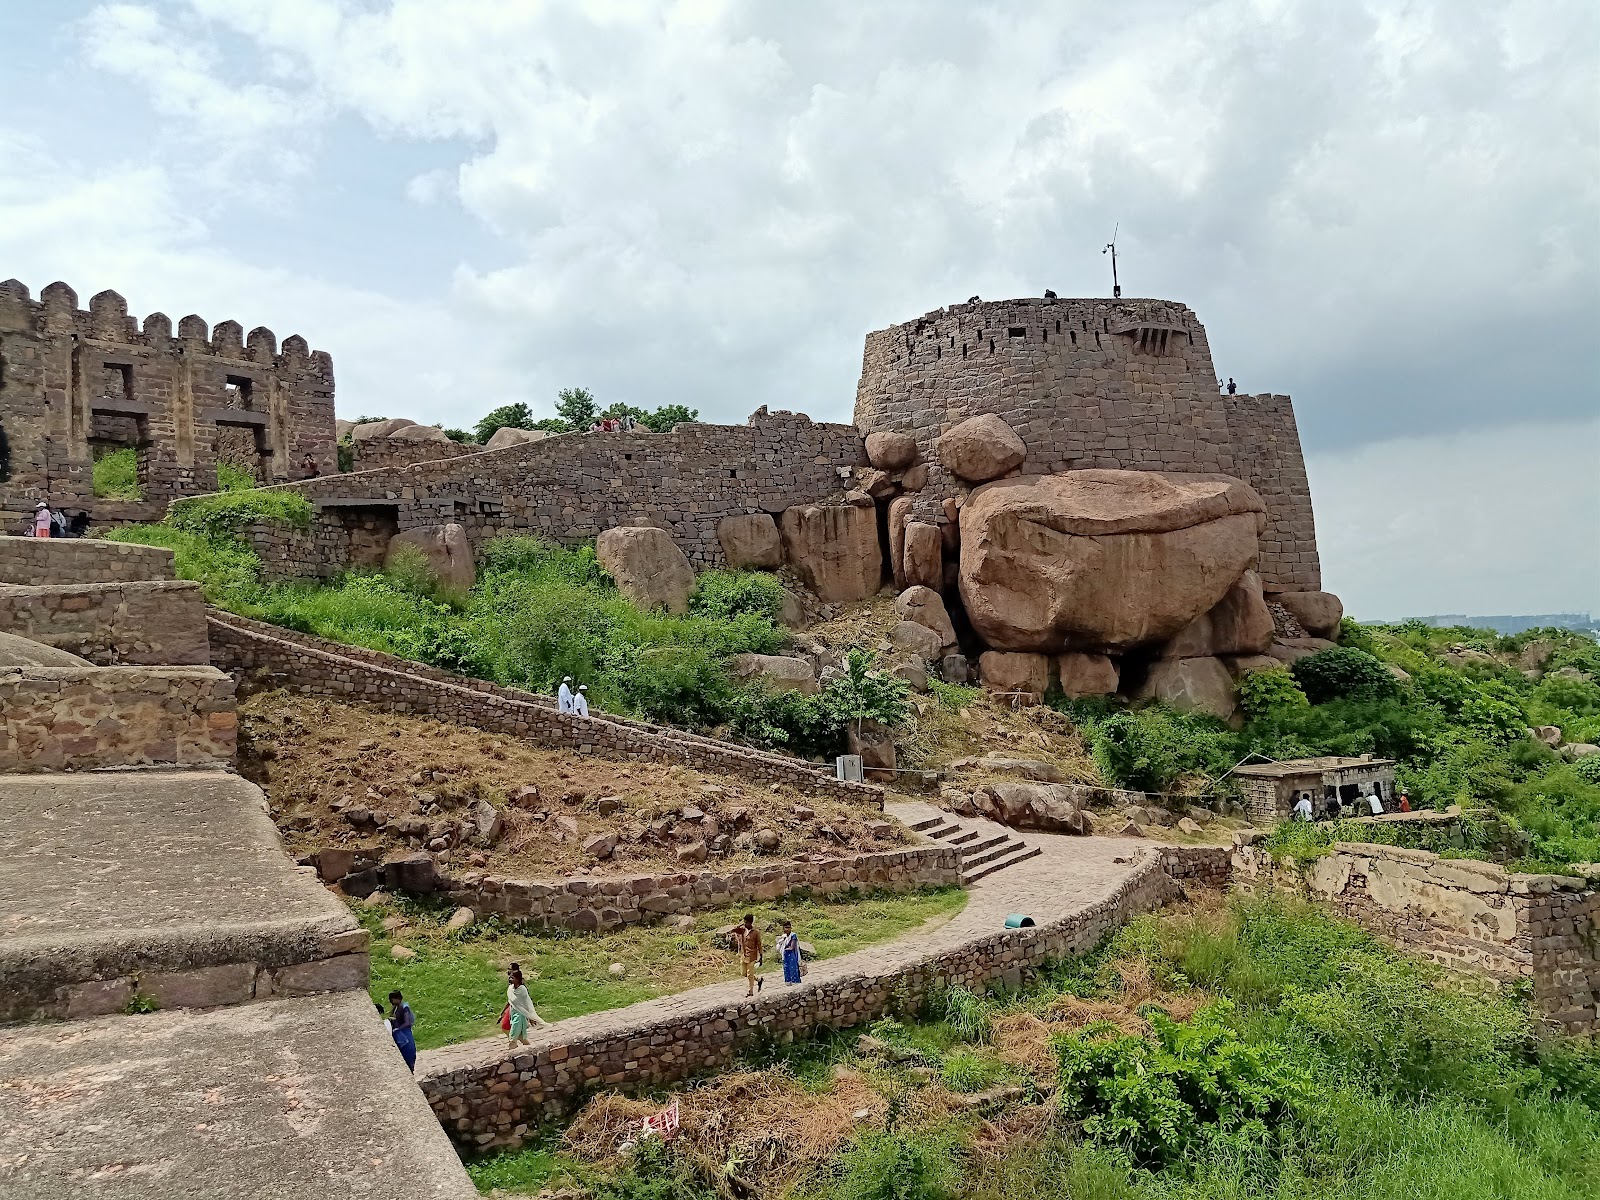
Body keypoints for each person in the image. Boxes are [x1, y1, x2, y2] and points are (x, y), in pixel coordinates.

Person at [506, 967, 548, 1046]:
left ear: (517, 979)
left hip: (520, 1015)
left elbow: (526, 1004)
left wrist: (530, 1017)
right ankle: (529, 1047)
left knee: (513, 1035)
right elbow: (510, 1001)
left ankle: (512, 1047)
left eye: (512, 978)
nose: (510, 979)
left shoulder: (522, 990)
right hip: (513, 1012)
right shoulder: (511, 988)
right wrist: (503, 1013)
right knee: (521, 1035)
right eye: (510, 977)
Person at [733, 913, 764, 996]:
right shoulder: (743, 930)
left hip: (752, 955)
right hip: (744, 955)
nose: (745, 924)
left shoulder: (755, 932)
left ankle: (750, 991)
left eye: (746, 922)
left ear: (751, 923)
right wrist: (739, 925)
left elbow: (759, 945)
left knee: (750, 974)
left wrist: (761, 957)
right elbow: (734, 930)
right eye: (744, 922)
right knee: (744, 973)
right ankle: (758, 979)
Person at [388, 990, 417, 1072]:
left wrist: (398, 1029)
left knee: (408, 1052)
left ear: (397, 999)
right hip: (400, 1033)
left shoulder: (404, 1008)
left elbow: (407, 1023)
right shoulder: (396, 1007)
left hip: (405, 1033)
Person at [778, 920, 802, 986]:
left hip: (792, 955)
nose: (787, 929)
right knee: (787, 969)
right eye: (786, 927)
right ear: (783, 928)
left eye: (789, 927)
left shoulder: (793, 935)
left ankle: (795, 983)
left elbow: (792, 947)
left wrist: (786, 948)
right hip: (785, 955)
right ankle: (789, 982)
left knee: (793, 969)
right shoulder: (784, 937)